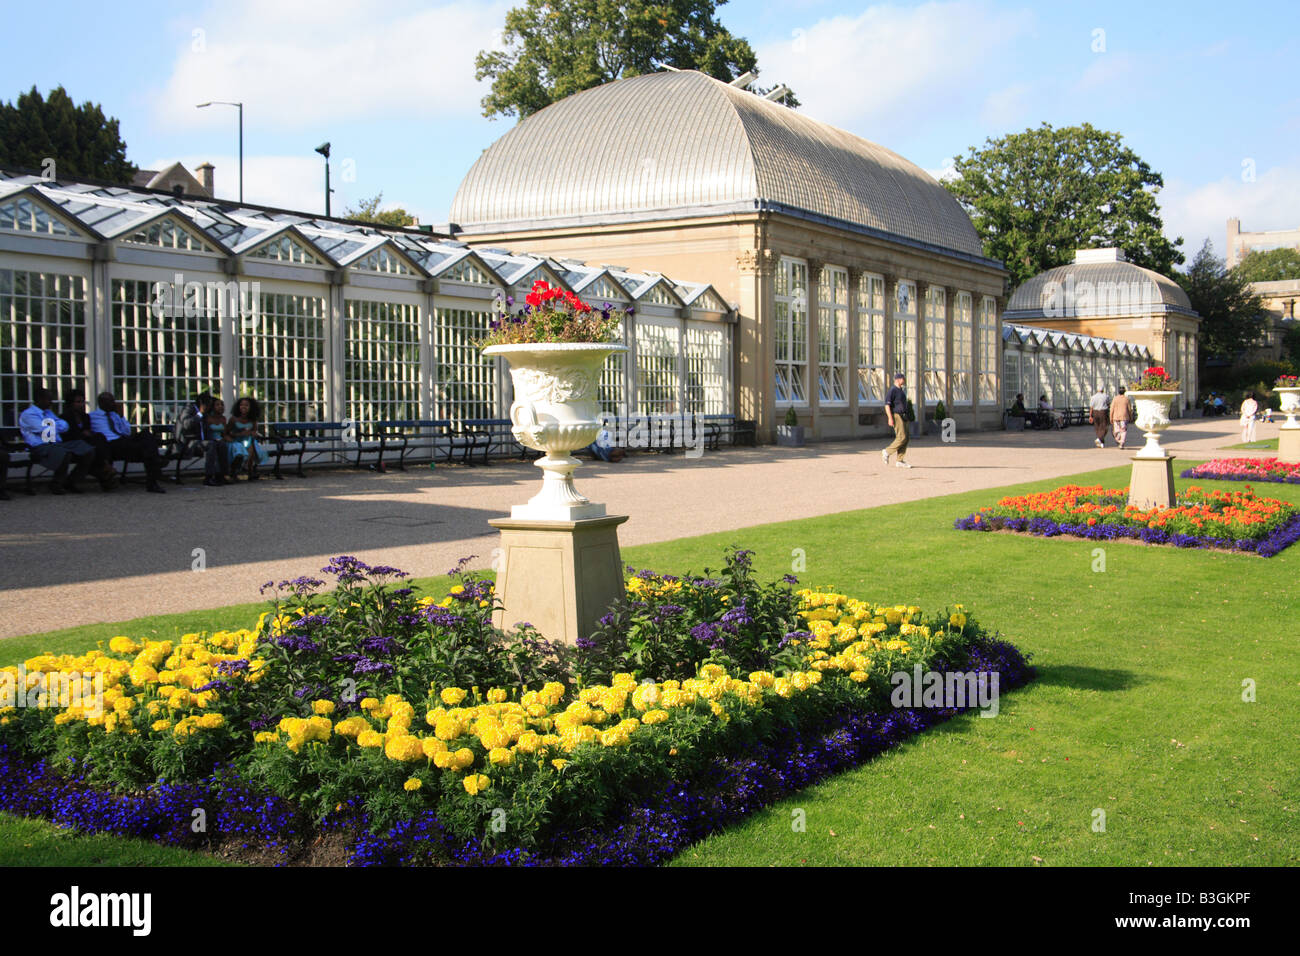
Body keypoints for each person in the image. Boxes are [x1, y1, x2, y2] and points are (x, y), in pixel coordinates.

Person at [18, 387, 96, 494]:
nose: (51, 402)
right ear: (40, 399)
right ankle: (56, 483)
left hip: (57, 443)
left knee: (87, 450)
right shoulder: (28, 414)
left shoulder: (49, 413)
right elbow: (43, 429)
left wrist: (53, 426)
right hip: (40, 446)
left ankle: (72, 481)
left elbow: (65, 426)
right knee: (64, 453)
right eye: (49, 399)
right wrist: (54, 426)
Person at [90, 392, 167, 493]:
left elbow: (127, 431)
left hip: (123, 439)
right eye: (110, 402)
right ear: (101, 403)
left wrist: (121, 416)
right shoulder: (92, 416)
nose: (113, 404)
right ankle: (157, 462)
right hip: (110, 443)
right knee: (148, 451)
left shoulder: (115, 415)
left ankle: (153, 475)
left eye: (113, 401)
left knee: (146, 435)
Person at [62, 393, 118, 490]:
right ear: (71, 404)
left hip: (85, 442)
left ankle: (105, 468)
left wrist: (85, 434)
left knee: (99, 437)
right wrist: (82, 434)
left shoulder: (85, 417)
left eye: (83, 401)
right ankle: (105, 469)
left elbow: (88, 431)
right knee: (93, 449)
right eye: (78, 402)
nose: (82, 404)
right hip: (72, 443)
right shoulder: (65, 417)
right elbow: (67, 434)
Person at [177, 391, 231, 486]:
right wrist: (200, 414)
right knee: (211, 445)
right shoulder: (189, 409)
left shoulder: (206, 414)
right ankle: (208, 477)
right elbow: (187, 424)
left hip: (202, 441)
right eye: (209, 405)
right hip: (188, 443)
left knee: (221, 444)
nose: (210, 408)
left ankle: (221, 475)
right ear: (202, 404)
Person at [226, 396, 271, 480]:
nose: (243, 407)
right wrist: (239, 434)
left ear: (251, 407)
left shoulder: (253, 420)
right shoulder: (233, 419)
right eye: (241, 405)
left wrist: (250, 433)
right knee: (244, 446)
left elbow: (254, 431)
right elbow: (228, 432)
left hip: (248, 440)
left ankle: (249, 470)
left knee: (251, 445)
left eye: (246, 405)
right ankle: (236, 470)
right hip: (236, 440)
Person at [882, 372, 912, 468]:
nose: (904, 380)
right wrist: (890, 418)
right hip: (897, 415)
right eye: (903, 378)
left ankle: (900, 460)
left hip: (904, 416)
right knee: (901, 437)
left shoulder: (901, 390)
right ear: (898, 379)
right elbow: (887, 405)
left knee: (906, 438)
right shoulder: (893, 390)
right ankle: (887, 451)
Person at [1110, 386, 1132, 451]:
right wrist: (1131, 416)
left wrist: (1110, 417)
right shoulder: (1127, 399)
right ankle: (1121, 442)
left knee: (1116, 430)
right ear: (1124, 392)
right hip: (1124, 417)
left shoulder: (1115, 399)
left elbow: (1111, 408)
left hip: (1116, 417)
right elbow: (1129, 409)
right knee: (1123, 430)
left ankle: (1119, 440)